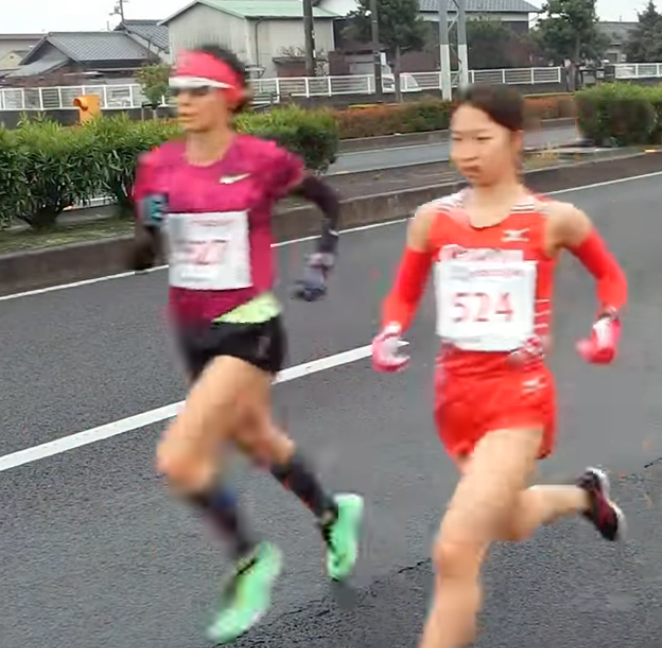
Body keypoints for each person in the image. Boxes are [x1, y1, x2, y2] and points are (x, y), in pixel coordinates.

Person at [370, 83, 628, 648]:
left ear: (515, 140)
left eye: (480, 138)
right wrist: (389, 330)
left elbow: (610, 276)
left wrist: (608, 319)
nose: (466, 151)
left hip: (518, 399)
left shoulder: (553, 219)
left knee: (456, 548)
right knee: (508, 521)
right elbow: (404, 294)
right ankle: (584, 497)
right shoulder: (432, 220)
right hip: (456, 402)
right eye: (456, 139)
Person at [126, 45, 365, 644]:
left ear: (230, 95)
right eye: (177, 90)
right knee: (259, 440)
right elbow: (150, 235)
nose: (182, 100)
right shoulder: (157, 165)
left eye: (197, 90)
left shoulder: (262, 161)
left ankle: (250, 558)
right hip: (190, 329)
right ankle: (335, 514)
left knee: (180, 459)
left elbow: (329, 201)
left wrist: (321, 263)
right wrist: (144, 242)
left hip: (249, 327)